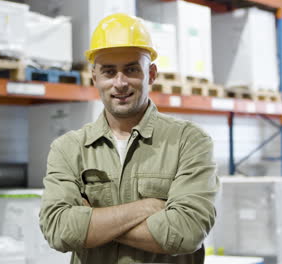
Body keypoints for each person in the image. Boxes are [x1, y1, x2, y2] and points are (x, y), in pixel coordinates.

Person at [39, 13, 219, 264]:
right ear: (95, 78)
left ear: (152, 74)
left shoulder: (189, 141)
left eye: (131, 69)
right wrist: (144, 208)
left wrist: (93, 220)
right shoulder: (68, 149)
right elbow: (58, 230)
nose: (120, 83)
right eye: (109, 72)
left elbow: (186, 232)